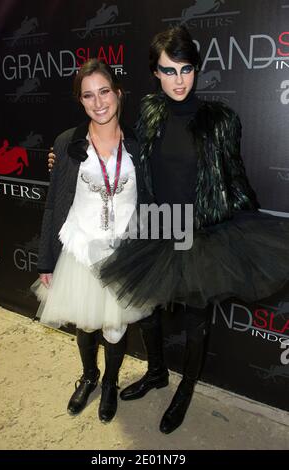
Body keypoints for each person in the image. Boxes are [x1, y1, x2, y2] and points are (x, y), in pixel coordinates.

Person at [48, 27, 289, 434]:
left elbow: (234, 177)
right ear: (155, 74)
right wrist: (66, 151)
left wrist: (242, 229)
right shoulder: (149, 112)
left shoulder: (221, 119)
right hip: (158, 223)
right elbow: (109, 138)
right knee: (148, 311)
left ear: (196, 69)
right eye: (168, 70)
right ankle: (157, 372)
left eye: (185, 69)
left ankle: (186, 388)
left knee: (196, 319)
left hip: (200, 230)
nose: (178, 79)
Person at [32, 58, 151, 423]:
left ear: (118, 93)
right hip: (81, 251)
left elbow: (154, 197)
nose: (98, 102)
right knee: (85, 322)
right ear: (80, 102)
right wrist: (46, 260)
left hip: (124, 254)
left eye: (104, 92)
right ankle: (89, 376)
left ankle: (111, 383)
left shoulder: (140, 143)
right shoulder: (67, 143)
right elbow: (56, 202)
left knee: (116, 327)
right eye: (88, 96)